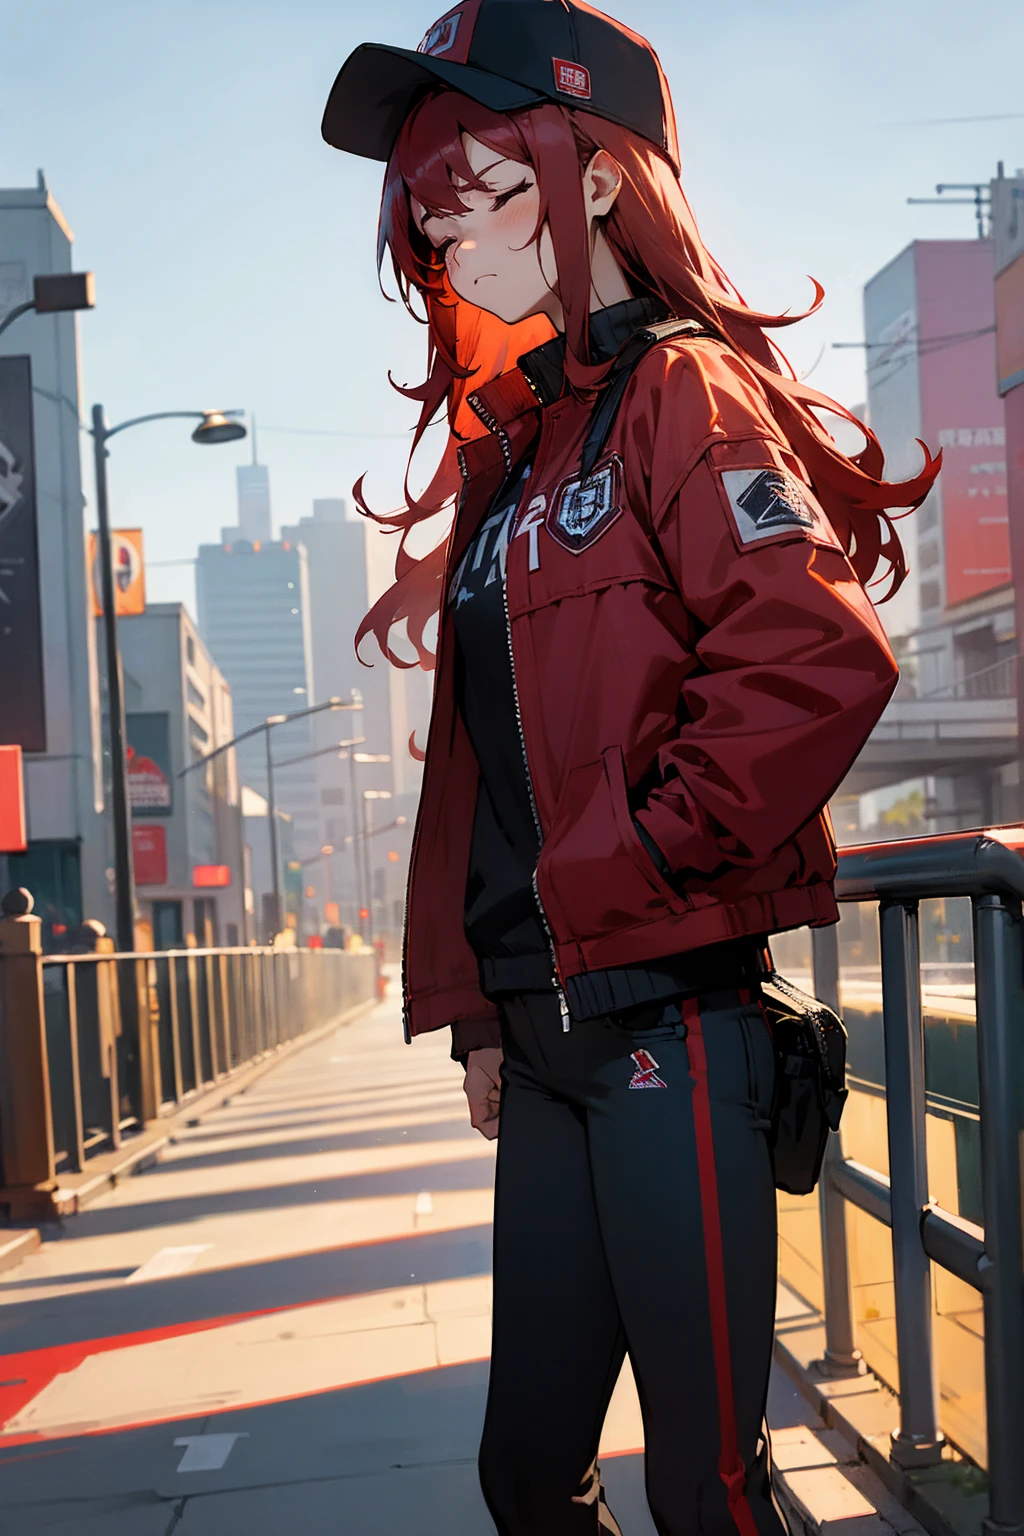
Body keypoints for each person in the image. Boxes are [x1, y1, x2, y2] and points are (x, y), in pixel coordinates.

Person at [321, 5, 937, 1532]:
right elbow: (481, 767)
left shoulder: (682, 398)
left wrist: (630, 863)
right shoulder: (516, 455)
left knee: (707, 1489)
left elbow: (816, 663)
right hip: (543, 1040)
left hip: (674, 1011)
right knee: (526, 1476)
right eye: (426, 189)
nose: (443, 215)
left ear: (595, 180)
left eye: (480, 171)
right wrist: (480, 1001)